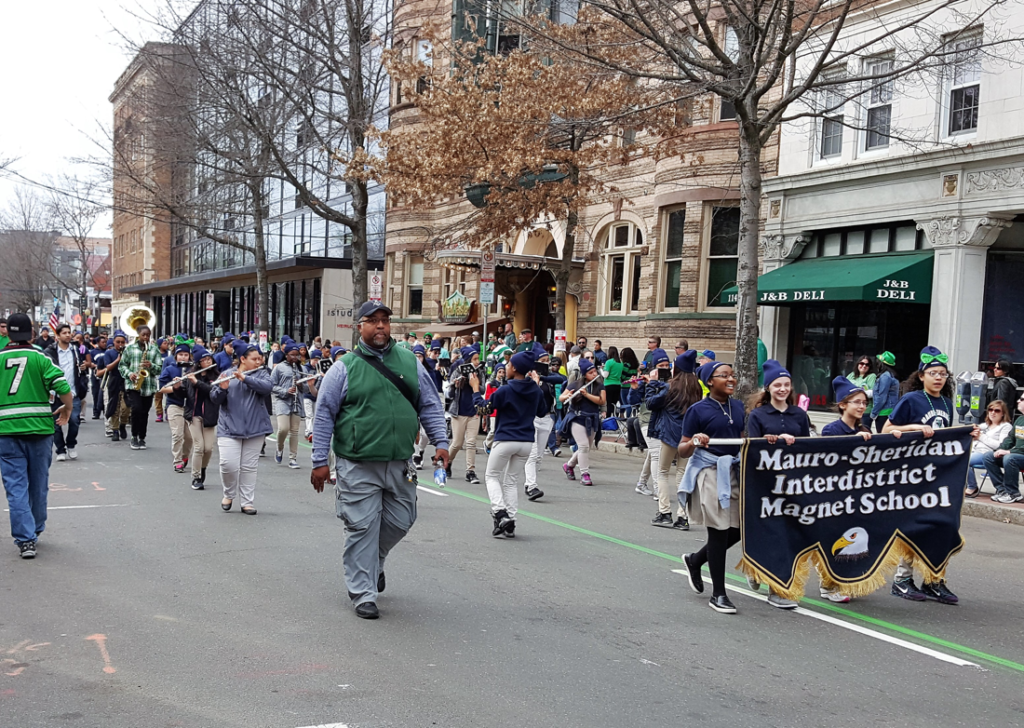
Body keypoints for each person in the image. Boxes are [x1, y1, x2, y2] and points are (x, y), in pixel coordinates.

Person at [310, 301, 449, 619]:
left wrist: (441, 442)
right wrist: (320, 460)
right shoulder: (343, 367)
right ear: (359, 327)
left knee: (402, 520)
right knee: (361, 526)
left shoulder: (410, 363)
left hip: (400, 462)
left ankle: (374, 561)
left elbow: (429, 404)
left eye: (385, 320)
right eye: (372, 321)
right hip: (357, 463)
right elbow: (324, 415)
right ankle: (363, 592)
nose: (380, 326)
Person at [883, 346, 969, 605]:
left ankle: (934, 579)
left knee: (941, 526)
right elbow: (887, 429)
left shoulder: (946, 402)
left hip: (939, 474)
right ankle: (902, 579)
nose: (939, 378)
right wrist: (915, 427)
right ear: (921, 376)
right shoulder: (911, 400)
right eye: (933, 373)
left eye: (943, 373)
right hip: (912, 473)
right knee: (913, 526)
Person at [0, 314, 74, 559]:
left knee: (15, 486)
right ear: (31, 333)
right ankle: (36, 527)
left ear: (8, 334)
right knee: (39, 482)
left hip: (7, 431)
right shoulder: (41, 357)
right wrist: (68, 408)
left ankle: (25, 539)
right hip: (41, 429)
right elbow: (63, 387)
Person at [745, 360, 815, 607]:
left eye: (786, 384)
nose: (783, 389)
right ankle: (757, 571)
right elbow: (751, 448)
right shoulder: (758, 415)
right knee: (768, 533)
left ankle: (778, 587)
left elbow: (809, 448)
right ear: (768, 388)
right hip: (766, 484)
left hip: (793, 483)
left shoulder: (799, 414)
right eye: (777, 385)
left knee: (789, 535)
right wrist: (767, 440)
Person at [679, 360, 746, 614]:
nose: (730, 379)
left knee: (739, 529)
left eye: (732, 375)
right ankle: (718, 594)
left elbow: (740, 439)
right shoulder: (697, 410)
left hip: (733, 470)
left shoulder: (737, 407)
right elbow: (683, 449)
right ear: (710, 381)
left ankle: (695, 560)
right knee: (718, 530)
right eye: (724, 376)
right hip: (709, 471)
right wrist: (695, 441)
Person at [471, 349, 549, 536]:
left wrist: (475, 389)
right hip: (526, 442)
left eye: (508, 364)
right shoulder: (535, 390)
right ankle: (511, 522)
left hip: (506, 438)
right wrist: (536, 387)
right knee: (511, 481)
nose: (506, 367)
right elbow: (542, 411)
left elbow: (483, 409)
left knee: (491, 476)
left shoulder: (505, 390)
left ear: (514, 368)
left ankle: (500, 513)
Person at [209, 342, 273, 514]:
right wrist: (222, 389)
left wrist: (246, 378)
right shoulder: (226, 374)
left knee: (249, 467)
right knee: (227, 464)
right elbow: (215, 399)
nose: (258, 362)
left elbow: (267, 388)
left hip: (255, 427)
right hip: (229, 427)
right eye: (254, 359)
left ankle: (247, 502)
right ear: (243, 359)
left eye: (260, 359)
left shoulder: (263, 374)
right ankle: (229, 493)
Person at [645, 350, 701, 530]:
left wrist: (652, 383)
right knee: (682, 475)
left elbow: (651, 403)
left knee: (662, 472)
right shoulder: (696, 388)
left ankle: (665, 512)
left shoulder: (670, 388)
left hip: (669, 435)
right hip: (688, 436)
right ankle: (683, 517)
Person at [523, 347, 567, 501]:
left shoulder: (549, 377)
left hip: (547, 418)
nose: (546, 364)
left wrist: (542, 378)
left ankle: (529, 483)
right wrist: (534, 380)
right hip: (532, 419)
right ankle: (532, 485)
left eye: (547, 361)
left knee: (539, 457)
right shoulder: (526, 379)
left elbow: (562, 379)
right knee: (533, 454)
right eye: (542, 362)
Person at [559, 358, 606, 486]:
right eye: (591, 373)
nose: (594, 375)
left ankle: (569, 465)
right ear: (584, 374)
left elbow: (602, 401)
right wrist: (567, 396)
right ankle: (585, 474)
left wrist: (587, 395)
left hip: (592, 418)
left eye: (595, 372)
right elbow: (561, 397)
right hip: (577, 418)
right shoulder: (575, 384)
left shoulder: (600, 385)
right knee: (583, 446)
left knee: (585, 447)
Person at [44, 324, 87, 462]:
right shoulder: (49, 352)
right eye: (64, 333)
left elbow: (81, 368)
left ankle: (71, 444)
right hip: (55, 393)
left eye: (69, 332)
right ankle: (60, 449)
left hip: (72, 392)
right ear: (57, 336)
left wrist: (83, 367)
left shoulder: (75, 350)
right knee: (56, 424)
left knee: (74, 420)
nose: (68, 335)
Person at [636, 348, 672, 504]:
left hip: (662, 419)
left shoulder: (671, 381)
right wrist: (636, 388)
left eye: (666, 365)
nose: (664, 368)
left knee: (652, 453)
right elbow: (635, 400)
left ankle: (641, 483)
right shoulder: (647, 379)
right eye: (661, 365)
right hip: (646, 419)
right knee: (657, 453)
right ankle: (658, 489)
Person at [118, 325, 161, 450]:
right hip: (134, 385)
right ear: (138, 335)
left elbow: (159, 368)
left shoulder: (154, 350)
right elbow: (122, 366)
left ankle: (142, 437)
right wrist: (129, 374)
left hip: (148, 386)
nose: (146, 338)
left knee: (144, 413)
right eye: (144, 335)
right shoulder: (130, 349)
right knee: (136, 410)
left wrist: (151, 365)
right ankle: (134, 436)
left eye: (148, 335)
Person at [184, 346, 220, 490]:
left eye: (209, 359)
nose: (207, 361)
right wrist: (177, 386)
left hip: (209, 416)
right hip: (194, 415)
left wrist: (196, 383)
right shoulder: (191, 374)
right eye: (204, 360)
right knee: (199, 447)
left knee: (208, 449)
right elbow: (183, 394)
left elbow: (212, 391)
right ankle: (196, 476)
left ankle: (203, 468)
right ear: (198, 362)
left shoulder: (216, 377)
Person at [158, 344, 195, 473]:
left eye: (186, 355)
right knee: (177, 434)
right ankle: (177, 461)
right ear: (176, 356)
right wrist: (175, 387)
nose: (183, 357)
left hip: (190, 406)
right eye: (180, 355)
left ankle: (185, 457)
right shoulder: (169, 369)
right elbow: (162, 388)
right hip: (174, 405)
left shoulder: (194, 369)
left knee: (190, 437)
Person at [447, 346, 483, 484]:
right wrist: (456, 384)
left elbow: (483, 388)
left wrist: (475, 383)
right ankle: (447, 462)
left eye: (477, 359)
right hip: (459, 411)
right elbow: (449, 391)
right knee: (457, 443)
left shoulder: (480, 370)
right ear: (467, 360)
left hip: (474, 411)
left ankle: (470, 471)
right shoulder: (458, 369)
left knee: (471, 442)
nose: (476, 361)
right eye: (474, 359)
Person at [982, 395, 1024, 504]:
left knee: (1010, 458)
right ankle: (1002, 490)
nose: (1018, 401)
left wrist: (1009, 452)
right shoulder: (1020, 419)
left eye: (1022, 399)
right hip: (1018, 455)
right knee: (988, 456)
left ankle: (1013, 493)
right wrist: (1000, 450)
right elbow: (1010, 439)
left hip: (1018, 456)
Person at [271, 343, 307, 469]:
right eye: (292, 355)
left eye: (297, 355)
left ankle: (293, 458)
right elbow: (271, 385)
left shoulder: (302, 369)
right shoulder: (279, 367)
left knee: (295, 431)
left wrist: (301, 385)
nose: (295, 357)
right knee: (283, 428)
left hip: (297, 402)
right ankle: (279, 448)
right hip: (282, 401)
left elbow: (307, 388)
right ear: (286, 355)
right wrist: (285, 391)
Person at [966, 400, 1010, 498]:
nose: (993, 412)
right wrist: (971, 428)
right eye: (990, 409)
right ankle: (962, 485)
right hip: (974, 450)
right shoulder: (985, 425)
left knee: (964, 460)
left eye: (997, 410)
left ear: (1003, 413)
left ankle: (972, 486)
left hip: (988, 454)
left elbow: (1001, 445)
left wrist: (981, 436)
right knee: (956, 457)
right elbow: (973, 428)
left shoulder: (1006, 426)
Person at [101, 331, 131, 441]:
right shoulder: (109, 353)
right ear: (114, 342)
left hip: (125, 381)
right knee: (114, 406)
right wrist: (118, 360)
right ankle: (115, 430)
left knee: (126, 407)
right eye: (118, 342)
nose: (120, 344)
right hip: (114, 381)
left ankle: (122, 424)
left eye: (122, 342)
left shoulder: (128, 352)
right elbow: (108, 367)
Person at [870, 351, 900, 433]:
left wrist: (873, 413)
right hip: (889, 411)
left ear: (882, 363)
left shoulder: (885, 376)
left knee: (882, 435)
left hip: (883, 412)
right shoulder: (891, 375)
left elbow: (882, 397)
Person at [88, 335, 108, 420]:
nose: (104, 344)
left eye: (105, 342)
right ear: (98, 343)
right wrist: (95, 365)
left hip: (105, 375)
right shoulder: (93, 352)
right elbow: (90, 363)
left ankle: (105, 411)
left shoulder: (108, 351)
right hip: (95, 374)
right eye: (102, 342)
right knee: (95, 393)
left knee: (104, 394)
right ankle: (96, 412)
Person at [601, 346, 624, 417]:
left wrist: (601, 370)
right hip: (617, 384)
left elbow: (605, 375)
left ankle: (608, 418)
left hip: (608, 384)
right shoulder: (621, 363)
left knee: (608, 402)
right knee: (615, 402)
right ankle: (615, 416)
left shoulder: (609, 362)